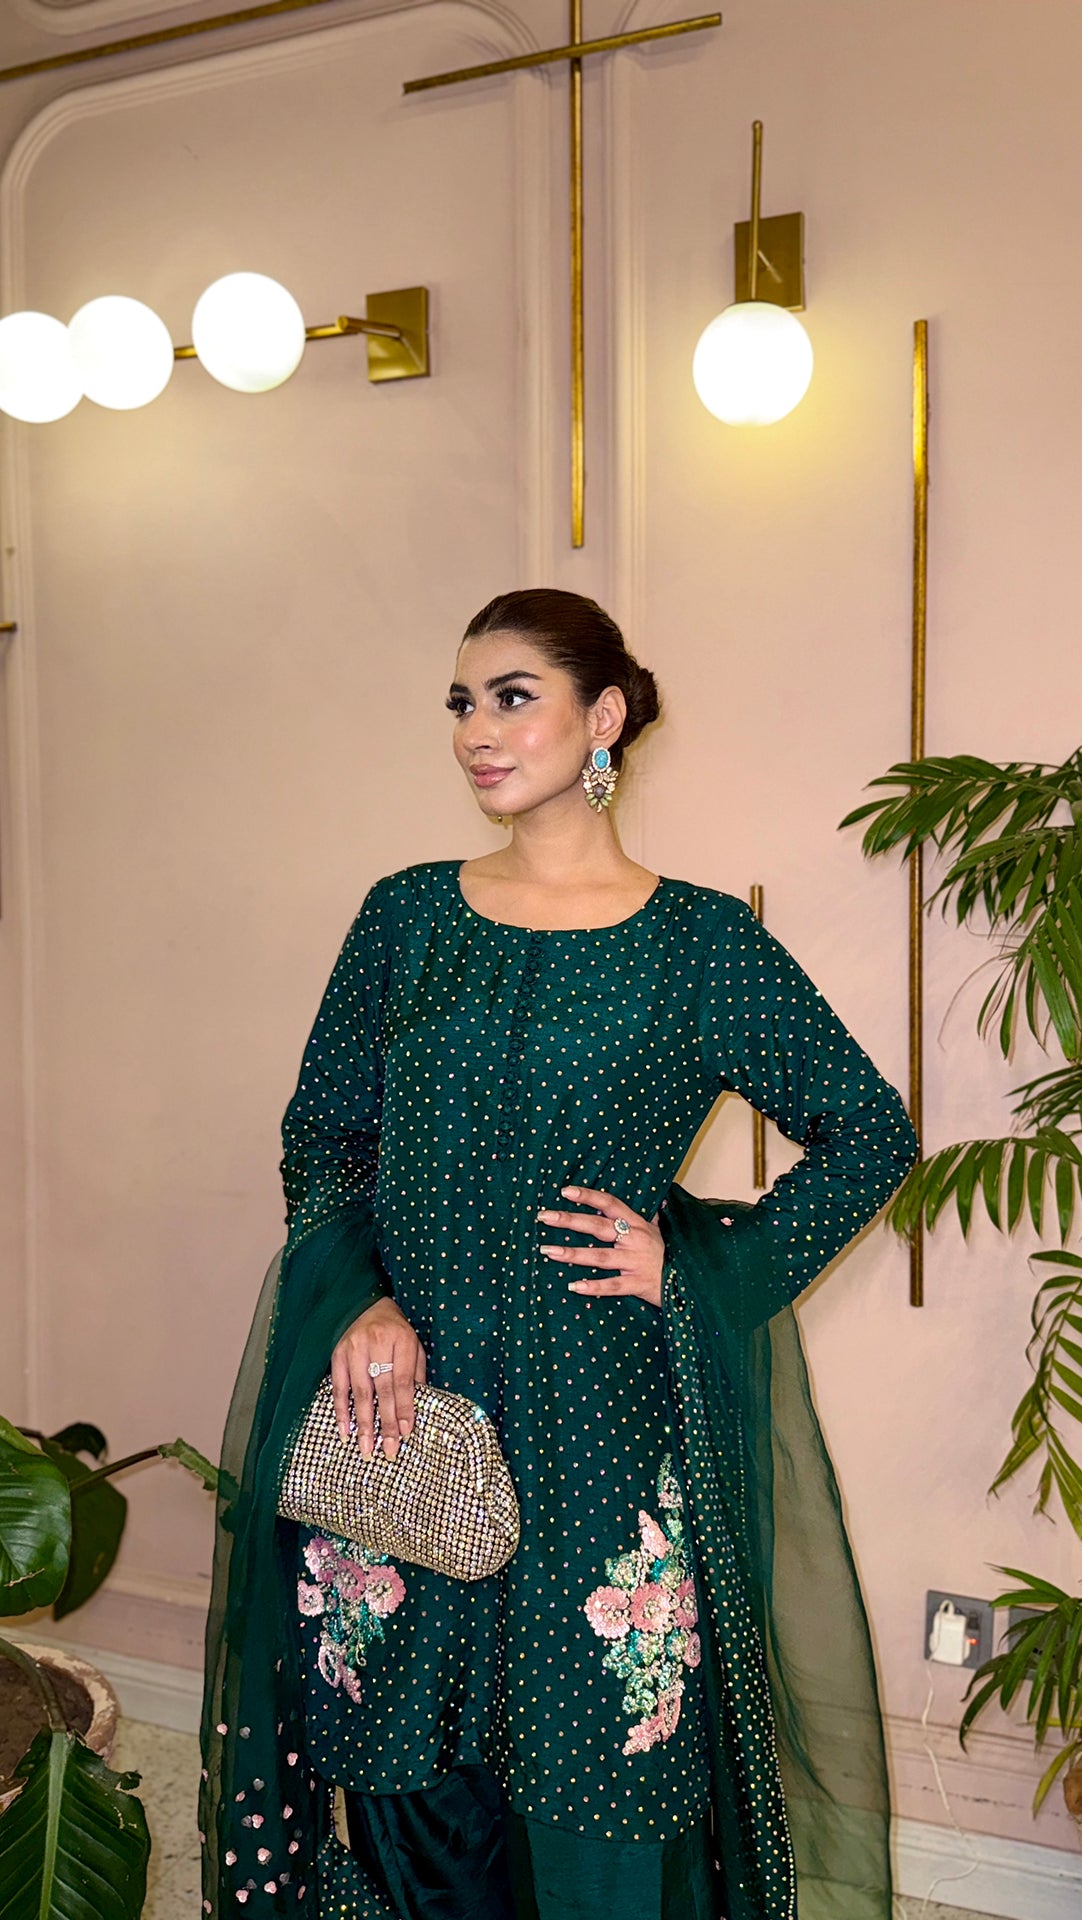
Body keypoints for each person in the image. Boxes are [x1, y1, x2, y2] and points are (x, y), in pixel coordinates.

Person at [199, 588, 917, 1920]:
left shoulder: (698, 945)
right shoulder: (406, 917)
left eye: (512, 697)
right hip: (404, 1422)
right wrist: (357, 1302)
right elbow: (326, 1136)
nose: (475, 731)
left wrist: (694, 1265)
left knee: (602, 1794)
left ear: (604, 716)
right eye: (460, 703)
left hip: (599, 1419)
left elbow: (871, 1134)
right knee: (408, 1787)